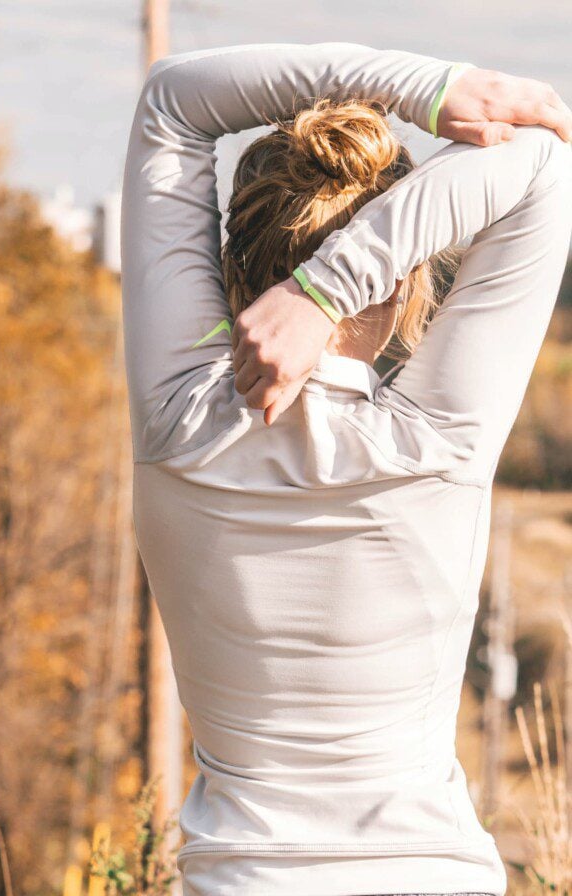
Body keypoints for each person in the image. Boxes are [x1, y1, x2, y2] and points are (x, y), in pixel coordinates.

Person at [121, 42, 572, 896]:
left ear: (230, 265)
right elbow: (541, 162)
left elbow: (173, 102)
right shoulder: (435, 443)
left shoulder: (177, 422)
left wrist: (429, 94)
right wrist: (328, 290)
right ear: (406, 283)